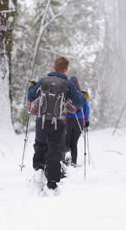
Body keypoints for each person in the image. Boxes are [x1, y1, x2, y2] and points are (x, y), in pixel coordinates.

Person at [27, 56, 85, 190]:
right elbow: (79, 103)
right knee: (55, 149)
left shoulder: (43, 81)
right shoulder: (67, 83)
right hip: (58, 122)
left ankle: (39, 170)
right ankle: (52, 182)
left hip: (41, 120)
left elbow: (31, 96)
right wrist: (80, 96)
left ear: (54, 68)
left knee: (40, 145)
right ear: (66, 69)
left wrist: (31, 86)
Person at [64, 76, 90, 167]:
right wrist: (86, 121)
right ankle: (73, 162)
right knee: (74, 143)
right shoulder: (82, 94)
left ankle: (64, 161)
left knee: (66, 142)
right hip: (80, 120)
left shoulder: (67, 93)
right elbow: (87, 108)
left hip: (68, 120)